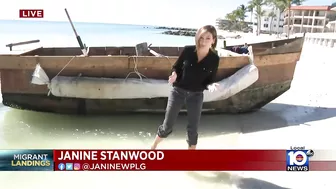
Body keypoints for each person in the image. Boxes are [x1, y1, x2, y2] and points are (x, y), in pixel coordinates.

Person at [150, 25, 220, 150]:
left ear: (213, 40)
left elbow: (210, 80)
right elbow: (176, 67)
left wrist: (211, 85)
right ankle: (153, 148)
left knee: (193, 129)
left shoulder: (214, 59)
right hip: (178, 91)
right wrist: (174, 75)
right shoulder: (188, 50)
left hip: (196, 95)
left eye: (207, 38)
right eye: (201, 37)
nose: (203, 41)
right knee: (167, 126)